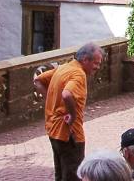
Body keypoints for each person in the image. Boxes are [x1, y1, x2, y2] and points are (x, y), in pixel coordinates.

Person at [33, 42, 104, 181]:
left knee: (60, 174)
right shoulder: (78, 74)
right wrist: (71, 115)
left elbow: (37, 81)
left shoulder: (64, 68)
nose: (97, 67)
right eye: (96, 63)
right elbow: (67, 94)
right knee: (73, 174)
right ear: (85, 60)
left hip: (53, 130)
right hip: (69, 134)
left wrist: (51, 99)